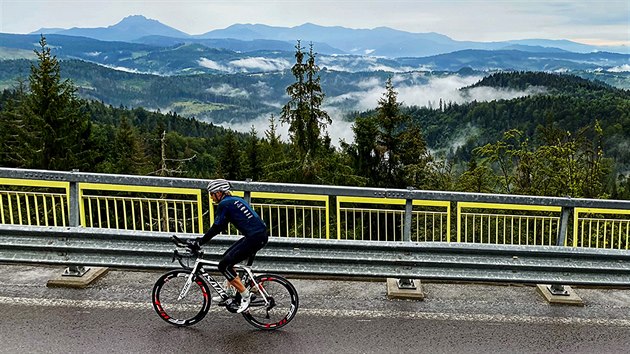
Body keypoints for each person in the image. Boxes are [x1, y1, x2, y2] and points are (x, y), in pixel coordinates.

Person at [191, 179, 268, 313]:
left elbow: (217, 227)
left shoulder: (225, 204)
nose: (211, 197)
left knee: (223, 265)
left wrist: (200, 242)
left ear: (219, 193)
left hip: (255, 238)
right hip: (257, 235)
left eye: (212, 194)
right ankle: (229, 292)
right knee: (227, 259)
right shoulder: (234, 200)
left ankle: (246, 295)